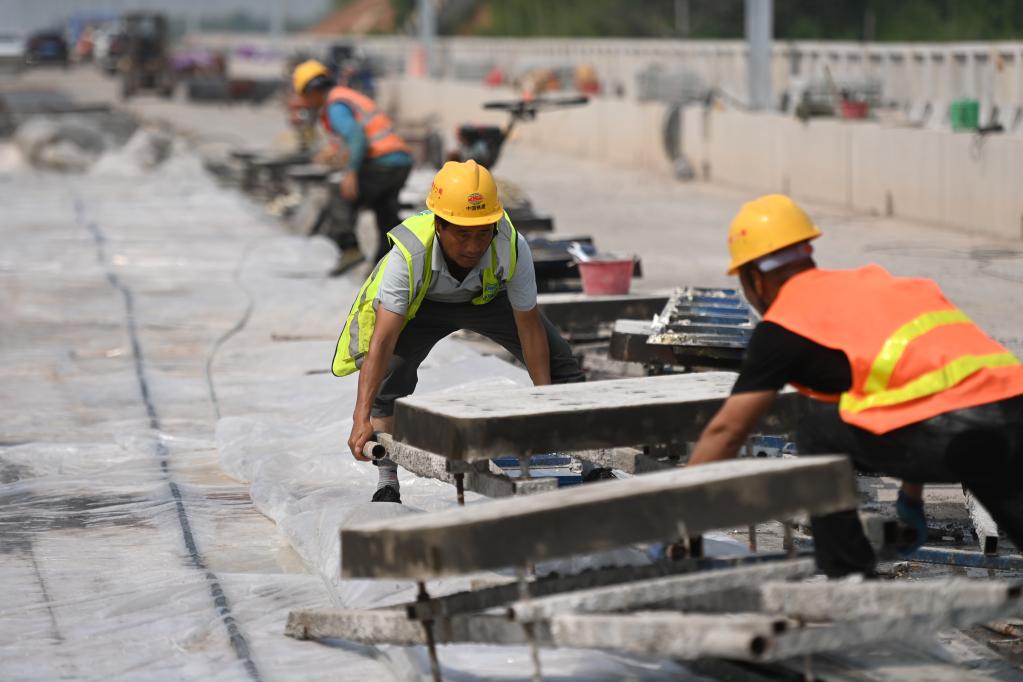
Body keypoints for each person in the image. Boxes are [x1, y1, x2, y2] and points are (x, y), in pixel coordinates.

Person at [688, 194, 1023, 577]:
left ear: (754, 278)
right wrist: (910, 500)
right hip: (1012, 414)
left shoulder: (786, 324)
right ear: (806, 253)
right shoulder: (877, 287)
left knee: (816, 430)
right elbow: (924, 390)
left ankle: (848, 572)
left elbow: (727, 431)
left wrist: (674, 517)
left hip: (958, 432)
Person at [333, 160, 585, 503]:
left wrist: (544, 401)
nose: (473, 246)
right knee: (390, 373)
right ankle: (387, 479)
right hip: (425, 306)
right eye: (462, 234)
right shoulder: (407, 256)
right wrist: (359, 417)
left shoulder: (512, 246)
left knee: (560, 363)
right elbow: (383, 339)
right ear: (439, 225)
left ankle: (584, 454)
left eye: (483, 233)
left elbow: (529, 329)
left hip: (487, 300)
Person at [291, 59, 413, 275]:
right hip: (400, 162)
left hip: (383, 163)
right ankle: (386, 269)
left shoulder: (334, 105)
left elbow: (356, 136)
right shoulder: (343, 96)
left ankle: (349, 248)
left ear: (311, 92)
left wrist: (351, 173)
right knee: (385, 215)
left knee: (341, 196)